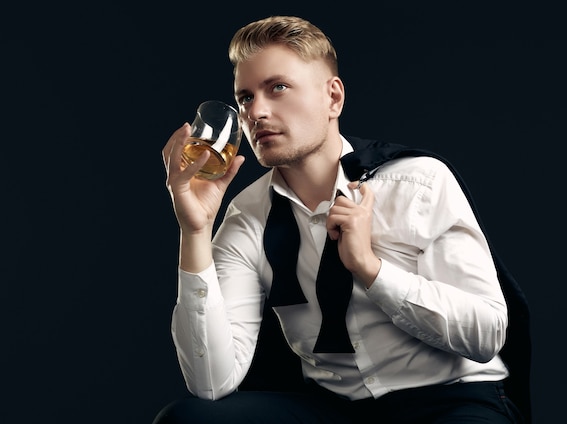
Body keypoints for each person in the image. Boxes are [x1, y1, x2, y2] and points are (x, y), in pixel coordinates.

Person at [155, 15, 526, 423]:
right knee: (186, 419)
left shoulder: (417, 182)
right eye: (245, 98)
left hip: (449, 400)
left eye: (277, 88)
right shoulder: (248, 216)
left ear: (333, 98)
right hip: (334, 409)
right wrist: (195, 231)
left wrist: (371, 269)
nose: (256, 111)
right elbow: (211, 382)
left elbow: (487, 334)